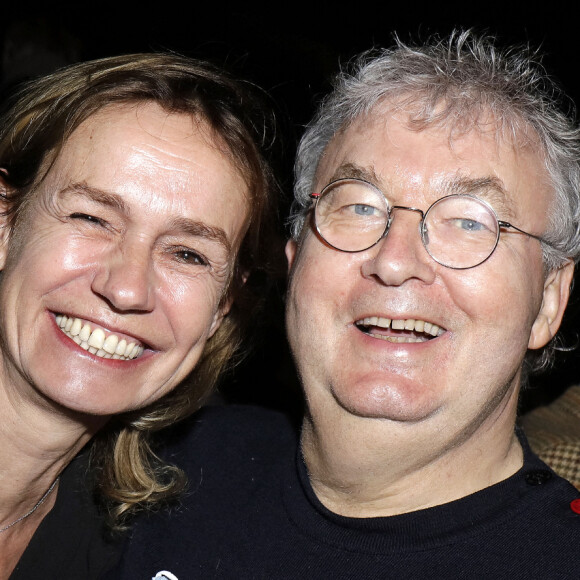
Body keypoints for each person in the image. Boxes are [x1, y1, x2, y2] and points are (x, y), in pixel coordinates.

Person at [113, 31, 580, 579]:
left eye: (469, 222)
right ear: (294, 260)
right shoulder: (147, 475)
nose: (395, 260)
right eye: (358, 206)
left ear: (548, 300)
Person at [0, 52, 277, 579]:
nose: (127, 289)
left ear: (222, 309)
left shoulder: (133, 544)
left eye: (188, 254)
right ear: (6, 226)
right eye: (92, 217)